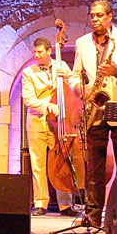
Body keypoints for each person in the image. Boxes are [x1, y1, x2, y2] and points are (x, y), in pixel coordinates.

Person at [70, 0, 117, 226]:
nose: (94, 19)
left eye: (99, 15)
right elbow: (75, 74)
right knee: (94, 168)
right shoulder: (82, 42)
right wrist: (81, 90)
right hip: (95, 108)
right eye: (92, 15)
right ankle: (93, 218)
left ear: (110, 17)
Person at [21, 37, 79, 217]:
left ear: (49, 51)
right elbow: (29, 99)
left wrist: (68, 77)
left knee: (63, 159)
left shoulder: (61, 66)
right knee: (38, 163)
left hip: (59, 121)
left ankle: (65, 204)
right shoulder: (28, 72)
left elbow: (74, 90)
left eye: (40, 52)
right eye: (35, 52)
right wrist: (47, 105)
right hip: (37, 120)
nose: (36, 55)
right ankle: (40, 203)